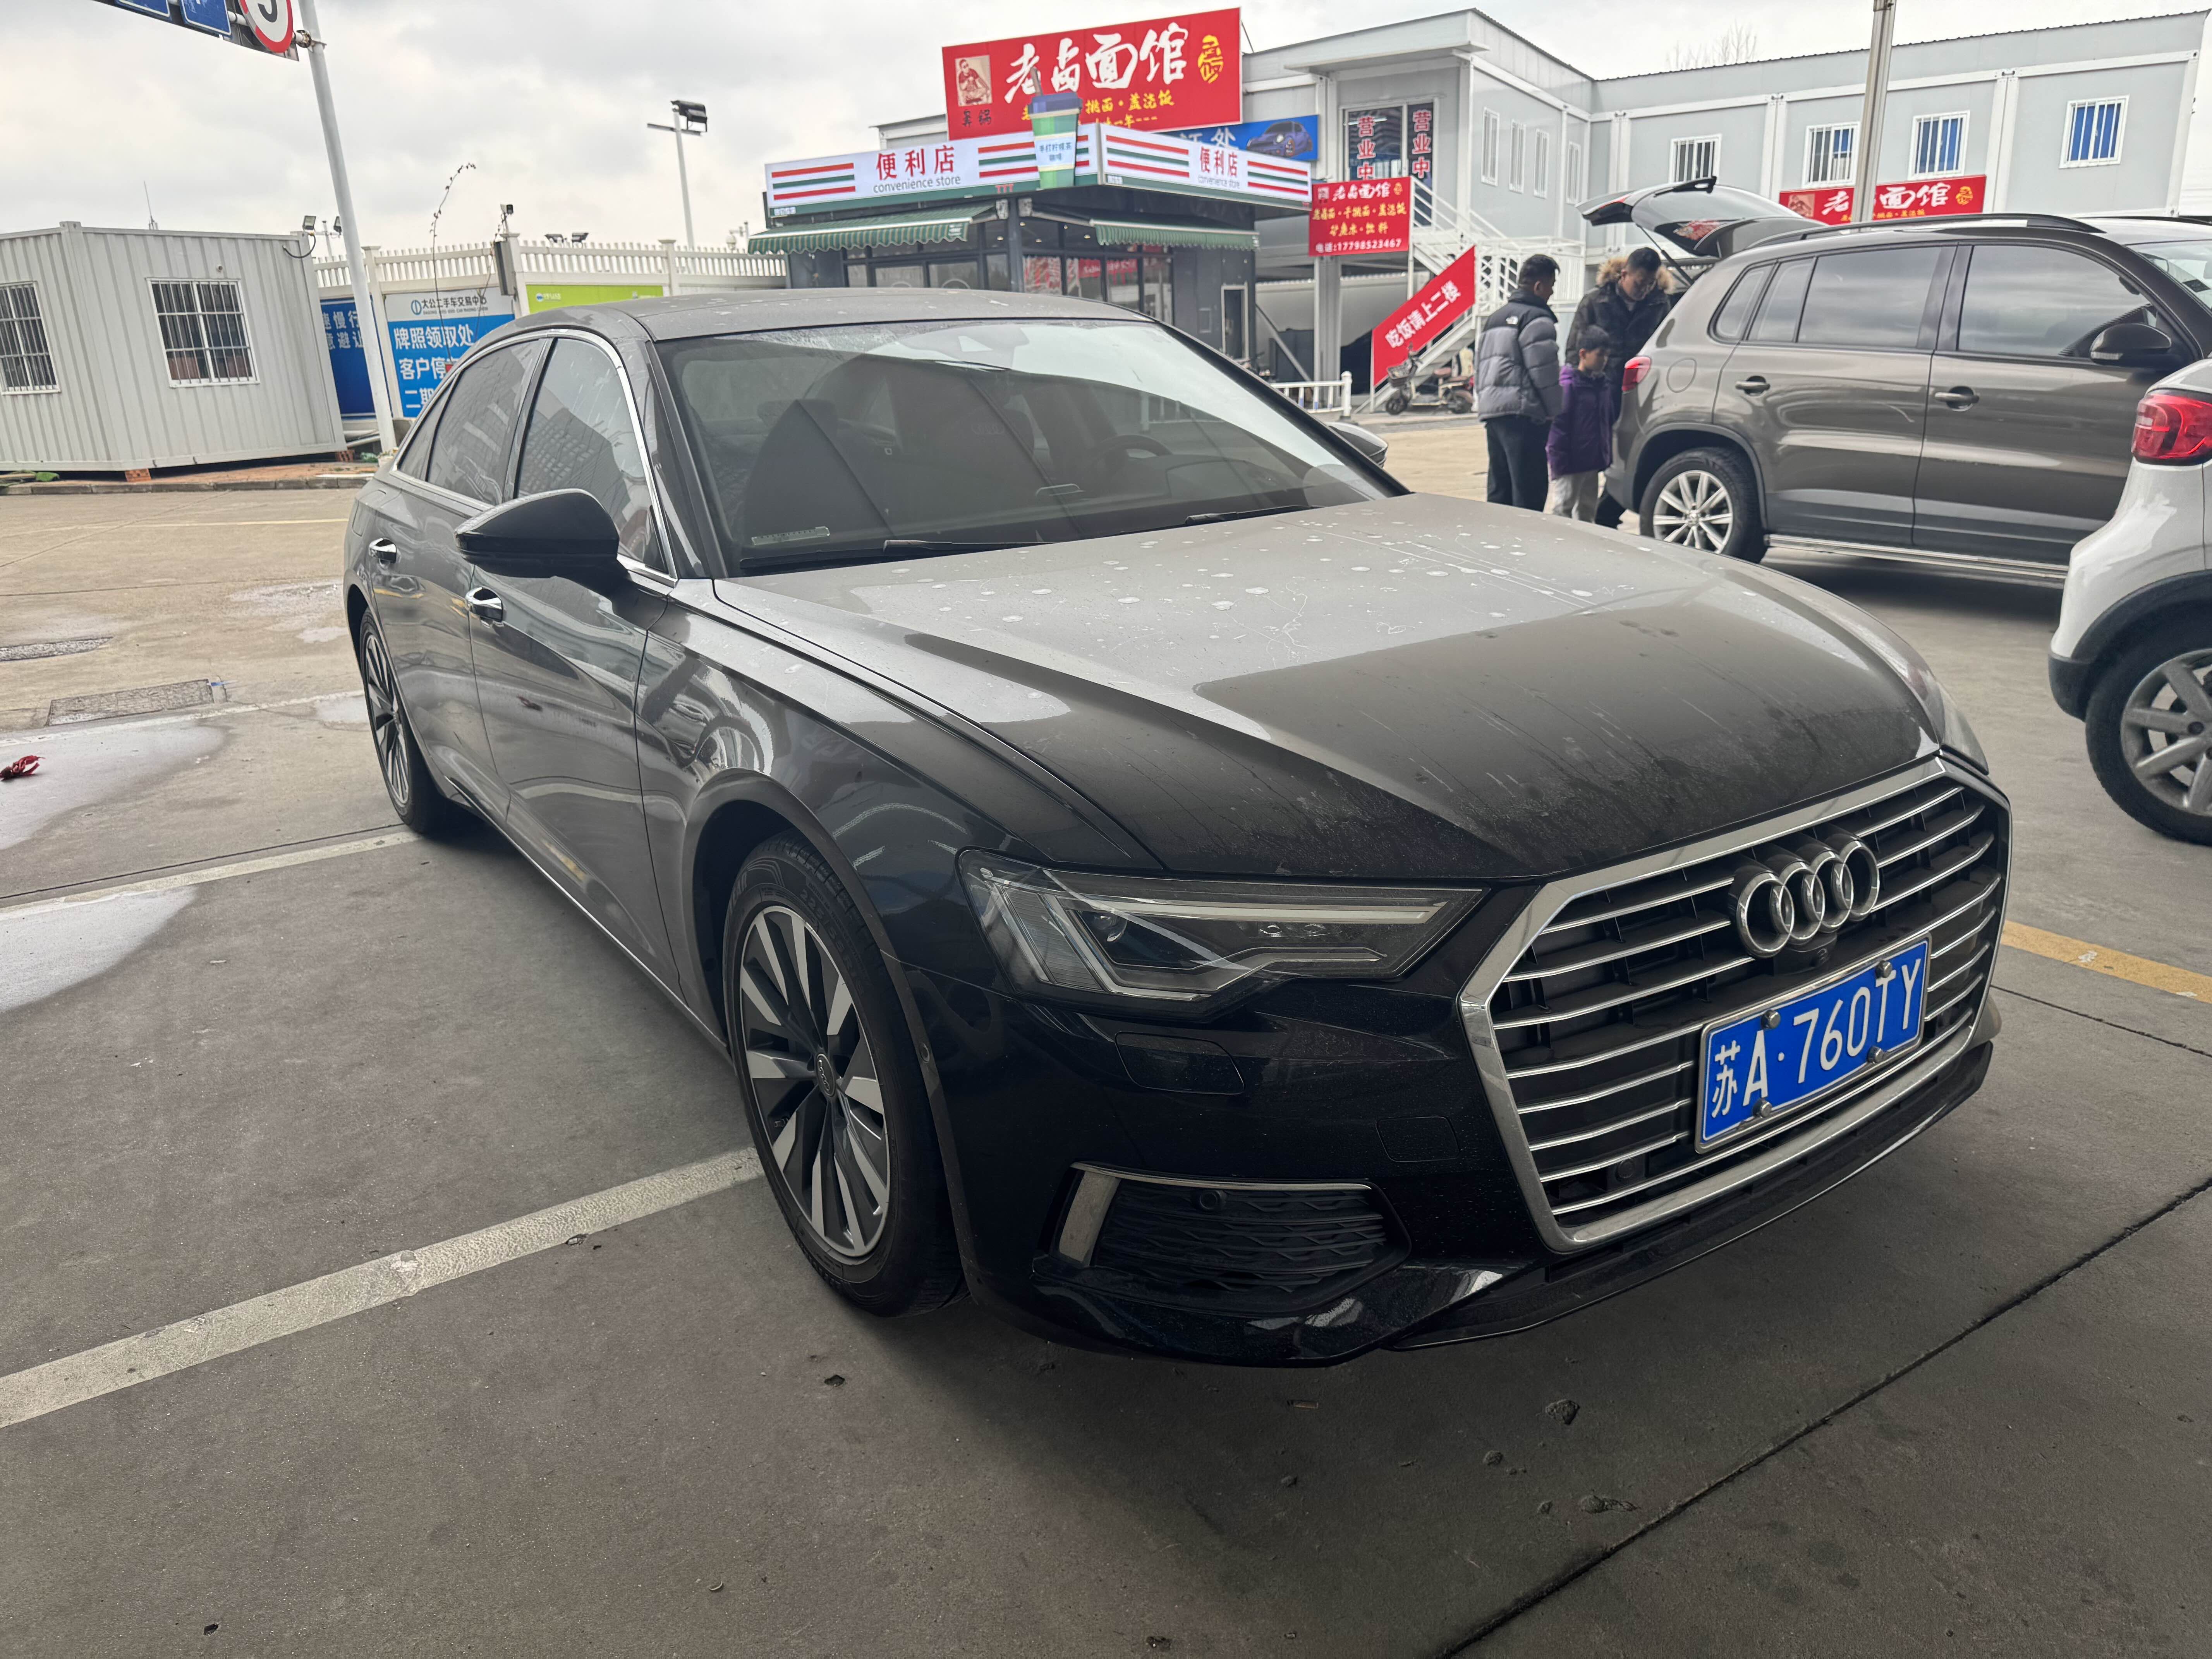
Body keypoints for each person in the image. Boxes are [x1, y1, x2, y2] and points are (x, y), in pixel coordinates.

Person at [1566, 246, 1674, 525]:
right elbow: (1574, 350)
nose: (1644, 289)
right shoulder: (1595, 301)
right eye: (1640, 283)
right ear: (1624, 275)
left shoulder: (1660, 304)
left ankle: (1606, 516)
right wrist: (1577, 391)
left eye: (1650, 284)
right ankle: (1579, 516)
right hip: (1597, 391)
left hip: (1639, 393)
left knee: (1629, 457)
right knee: (1590, 455)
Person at [1475, 254, 1563, 510]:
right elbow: (1545, 374)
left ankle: (1496, 536)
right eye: (1551, 286)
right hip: (1524, 416)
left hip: (1493, 415)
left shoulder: (1494, 319)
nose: (1552, 292)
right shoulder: (1537, 319)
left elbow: (1480, 367)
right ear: (1538, 286)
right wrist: (1554, 411)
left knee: (1500, 491)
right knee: (1529, 492)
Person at [1545, 327, 1616, 520]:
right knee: (1563, 509)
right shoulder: (1569, 386)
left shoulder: (1602, 386)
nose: (1604, 360)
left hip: (1592, 462)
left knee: (1588, 510)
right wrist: (1559, 462)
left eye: (1607, 355)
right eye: (1600, 355)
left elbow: (1607, 423)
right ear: (1583, 354)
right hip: (1570, 464)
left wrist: (1605, 455)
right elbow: (1558, 428)